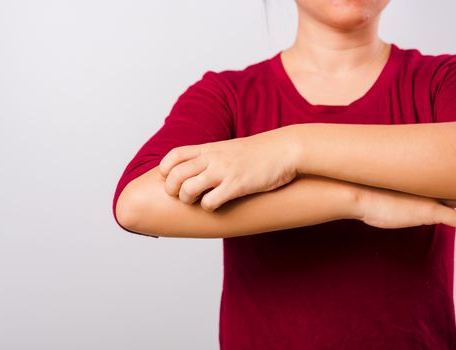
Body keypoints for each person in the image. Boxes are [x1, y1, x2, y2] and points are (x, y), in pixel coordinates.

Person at [112, 0, 456, 348]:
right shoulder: (228, 96)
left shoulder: (442, 79)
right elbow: (137, 205)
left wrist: (293, 148)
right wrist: (358, 200)